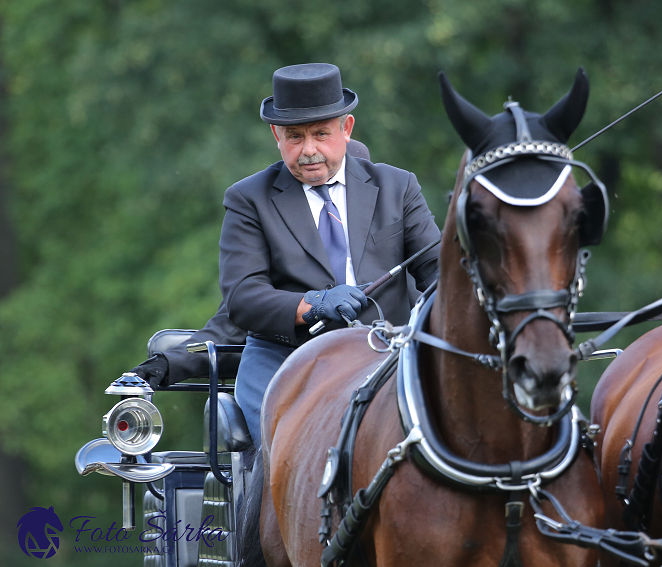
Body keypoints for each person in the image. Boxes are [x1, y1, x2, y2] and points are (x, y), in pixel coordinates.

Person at [219, 63, 441, 447]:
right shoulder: (248, 199)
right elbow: (243, 297)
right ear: (276, 135)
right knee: (287, 456)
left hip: (388, 353)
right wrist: (315, 304)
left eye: (321, 134)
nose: (309, 151)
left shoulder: (398, 186)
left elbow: (440, 273)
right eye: (294, 137)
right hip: (284, 358)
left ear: (346, 129)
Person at [125, 139, 373, 389]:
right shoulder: (271, 226)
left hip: (382, 363)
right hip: (296, 368)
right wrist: (169, 363)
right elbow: (234, 321)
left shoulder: (389, 224)